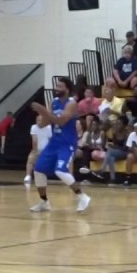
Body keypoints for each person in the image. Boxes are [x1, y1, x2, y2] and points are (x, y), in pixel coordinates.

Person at [28, 77, 90, 213]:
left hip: (67, 143)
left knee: (60, 171)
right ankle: (44, 202)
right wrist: (42, 114)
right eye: (56, 86)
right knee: (38, 170)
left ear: (67, 89)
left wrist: (44, 111)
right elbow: (43, 123)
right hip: (54, 142)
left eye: (60, 86)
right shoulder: (54, 102)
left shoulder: (71, 103)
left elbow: (61, 122)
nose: (57, 89)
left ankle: (82, 196)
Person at [24, 114, 51, 187]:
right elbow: (34, 140)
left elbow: (50, 140)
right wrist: (34, 151)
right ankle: (28, 176)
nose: (39, 122)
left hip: (46, 149)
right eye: (38, 120)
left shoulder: (49, 128)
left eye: (41, 120)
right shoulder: (34, 127)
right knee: (30, 159)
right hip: (37, 149)